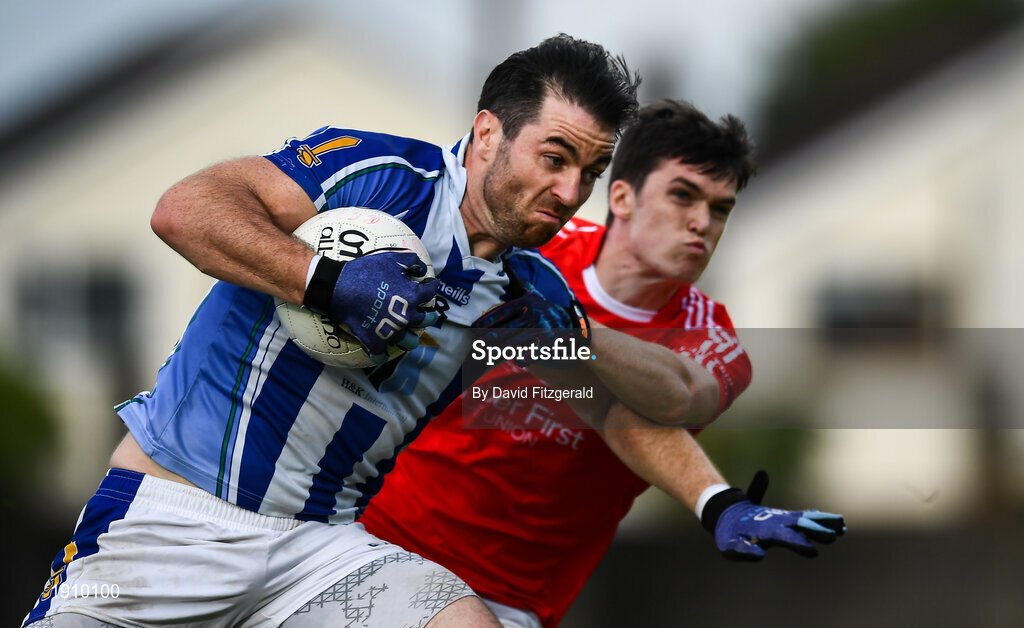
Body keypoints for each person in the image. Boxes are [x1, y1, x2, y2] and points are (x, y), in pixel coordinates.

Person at [22, 34, 640, 628]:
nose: (570, 192)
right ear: (486, 135)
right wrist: (332, 284)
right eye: (555, 159)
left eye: (590, 172)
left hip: (322, 549)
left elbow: (627, 408)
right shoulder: (380, 174)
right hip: (173, 518)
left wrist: (713, 498)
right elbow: (184, 210)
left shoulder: (529, 298)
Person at [360, 100, 846, 628]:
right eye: (683, 195)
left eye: (721, 208)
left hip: (506, 596)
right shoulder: (532, 257)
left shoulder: (713, 339)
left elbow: (676, 396)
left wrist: (575, 331)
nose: (701, 223)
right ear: (622, 196)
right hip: (377, 532)